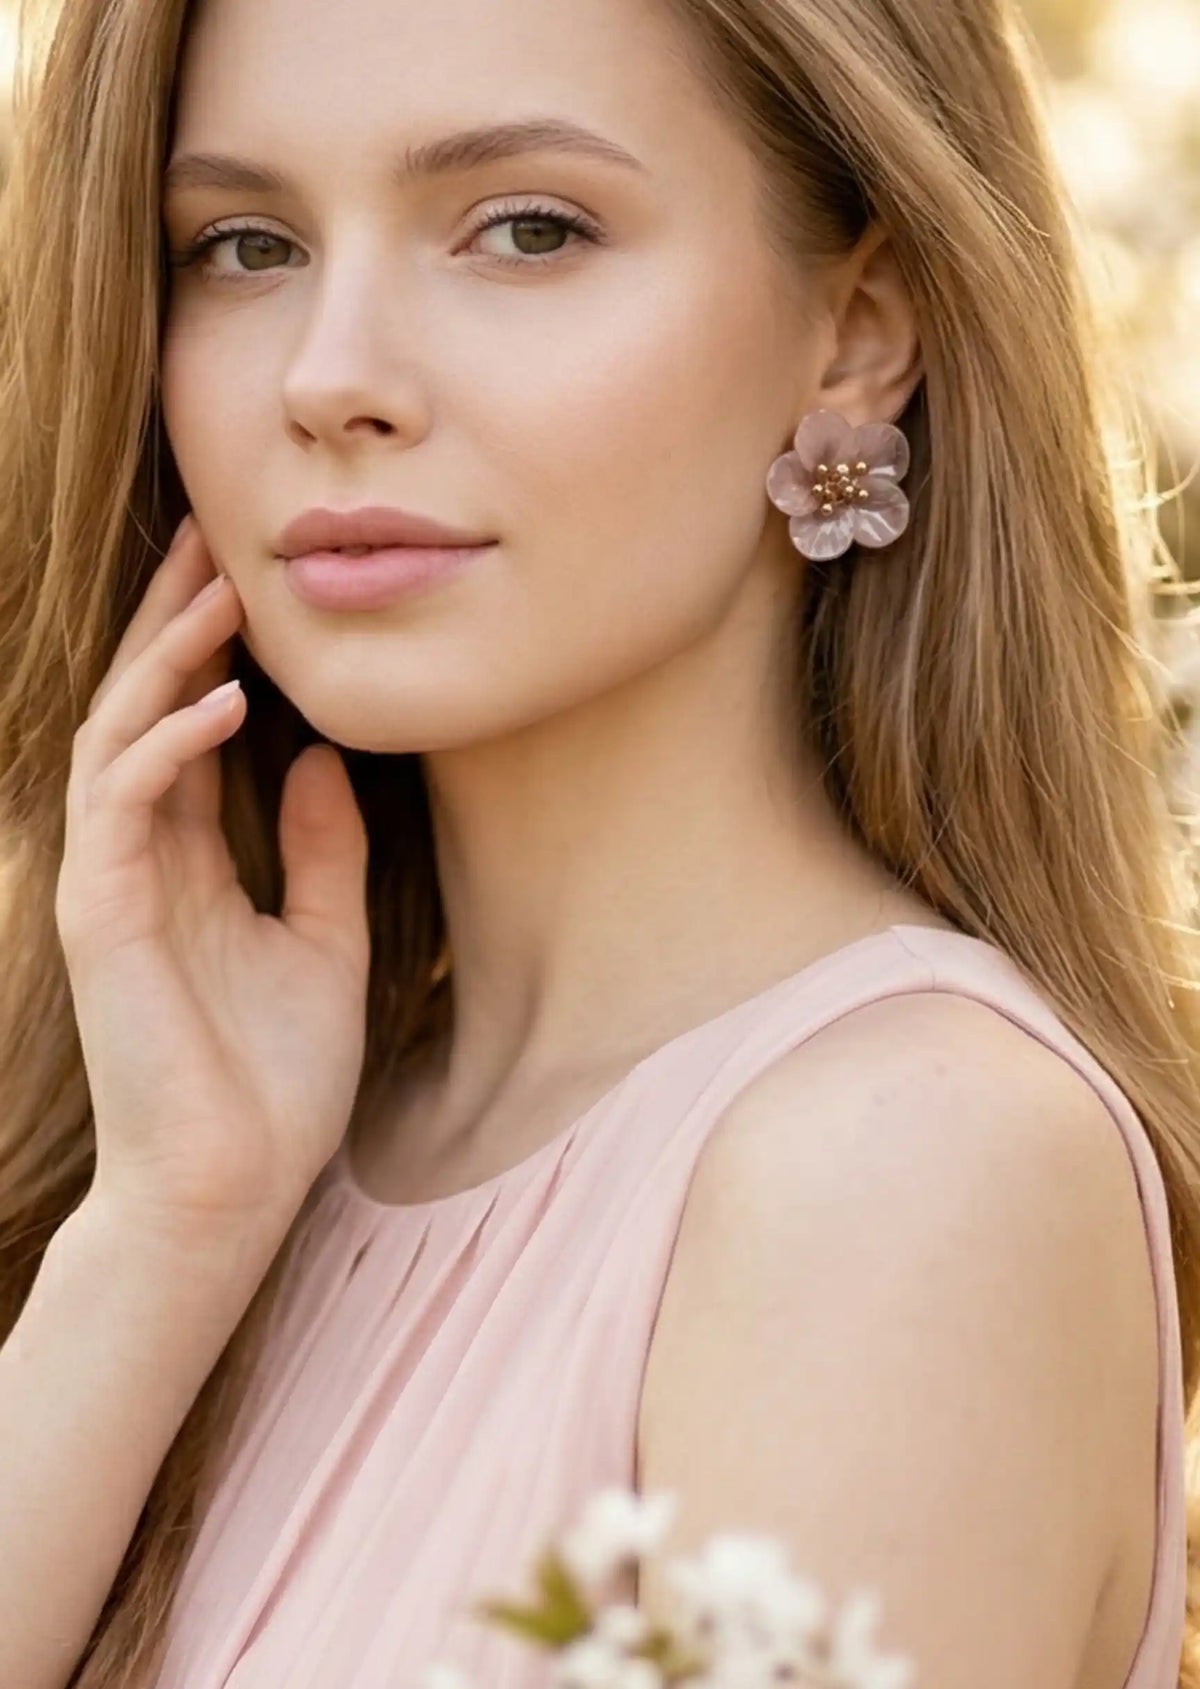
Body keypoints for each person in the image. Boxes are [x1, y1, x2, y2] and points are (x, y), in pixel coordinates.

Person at [0, 0, 1195, 1683]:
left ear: (854, 335)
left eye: (528, 229)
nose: (331, 373)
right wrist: (160, 1230)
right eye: (245, 243)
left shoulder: (905, 1171)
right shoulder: (238, 1153)